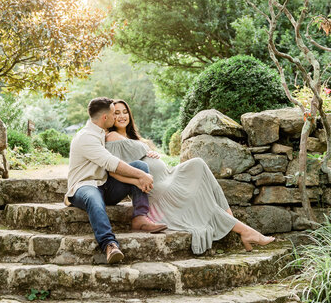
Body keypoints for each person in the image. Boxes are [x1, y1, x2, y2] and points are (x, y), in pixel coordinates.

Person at [105, 99, 275, 255]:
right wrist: (142, 155)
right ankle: (246, 232)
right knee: (199, 200)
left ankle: (229, 216)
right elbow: (115, 168)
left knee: (198, 164)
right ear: (110, 117)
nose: (122, 116)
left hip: (169, 175)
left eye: (125, 111)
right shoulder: (112, 137)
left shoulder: (136, 138)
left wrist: (146, 149)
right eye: (117, 113)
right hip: (157, 187)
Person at [66, 97, 167, 265]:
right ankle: (109, 245)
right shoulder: (86, 137)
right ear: (105, 117)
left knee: (140, 165)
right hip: (83, 186)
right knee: (93, 198)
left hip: (105, 185)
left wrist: (138, 176)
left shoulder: (101, 134)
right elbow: (111, 163)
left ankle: (140, 217)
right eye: (114, 113)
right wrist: (140, 177)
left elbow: (112, 170)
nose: (116, 118)